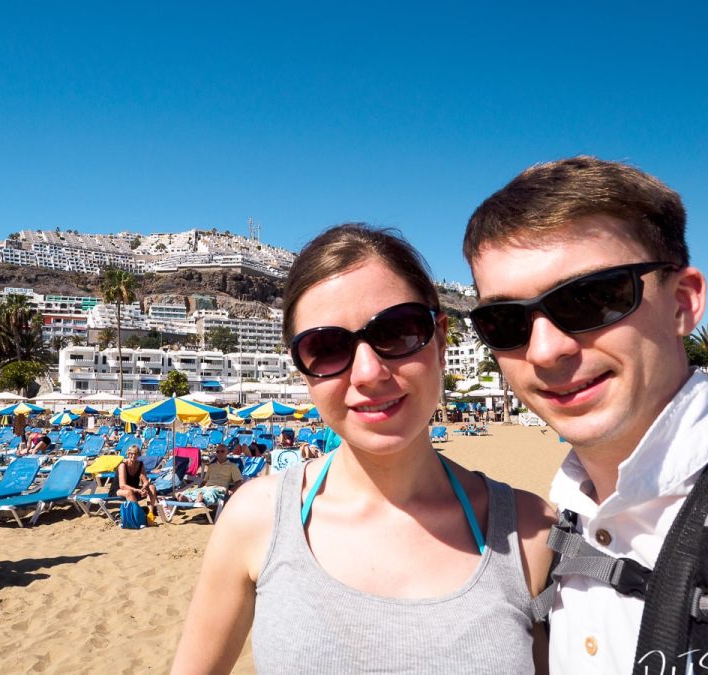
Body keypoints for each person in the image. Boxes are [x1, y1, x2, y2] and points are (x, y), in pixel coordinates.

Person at [462, 156, 708, 673]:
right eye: (504, 321)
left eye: (589, 299)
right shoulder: (553, 534)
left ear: (683, 303)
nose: (544, 350)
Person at [172, 224, 554, 674]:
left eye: (397, 332)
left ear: (441, 340)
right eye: (327, 347)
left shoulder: (531, 533)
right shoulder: (257, 520)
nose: (369, 373)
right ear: (302, 371)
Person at [176, 446, 243, 505]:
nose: (219, 453)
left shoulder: (232, 466)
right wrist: (199, 488)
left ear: (227, 452)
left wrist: (232, 490)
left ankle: (201, 500)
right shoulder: (212, 466)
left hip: (219, 488)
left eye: (222, 451)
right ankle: (188, 499)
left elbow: (239, 481)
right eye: (217, 451)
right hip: (207, 487)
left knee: (210, 493)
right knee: (190, 492)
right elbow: (205, 481)